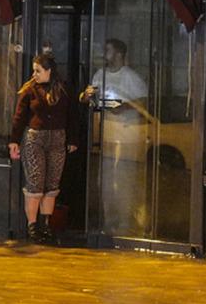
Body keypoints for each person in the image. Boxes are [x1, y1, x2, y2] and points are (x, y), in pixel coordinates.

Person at [81, 39, 151, 236]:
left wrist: (125, 107)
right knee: (107, 179)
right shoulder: (99, 75)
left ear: (119, 54)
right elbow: (90, 97)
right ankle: (109, 220)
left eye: (108, 50)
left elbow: (144, 100)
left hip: (127, 135)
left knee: (124, 179)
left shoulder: (131, 77)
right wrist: (87, 96)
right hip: (107, 134)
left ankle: (126, 219)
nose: (105, 54)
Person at [9, 53, 79, 243]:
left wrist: (72, 139)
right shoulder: (30, 89)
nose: (35, 74)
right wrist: (14, 141)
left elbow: (72, 114)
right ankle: (32, 225)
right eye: (34, 70)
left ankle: (46, 224)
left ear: (49, 71)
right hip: (35, 138)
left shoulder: (63, 90)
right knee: (35, 181)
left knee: (52, 183)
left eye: (38, 71)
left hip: (57, 137)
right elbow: (19, 116)